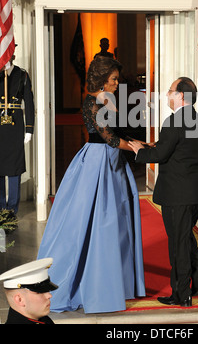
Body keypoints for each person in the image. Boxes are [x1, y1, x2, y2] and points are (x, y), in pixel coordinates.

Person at [37, 56, 145, 314]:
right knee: (96, 222)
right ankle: (83, 282)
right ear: (101, 78)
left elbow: (118, 134)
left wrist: (141, 144)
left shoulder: (113, 99)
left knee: (118, 223)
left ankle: (117, 281)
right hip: (96, 163)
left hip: (115, 163)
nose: (117, 83)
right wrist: (135, 148)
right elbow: (107, 138)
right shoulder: (91, 102)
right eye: (114, 79)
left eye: (117, 79)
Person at [129, 77, 198, 307]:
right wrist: (157, 145)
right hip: (195, 191)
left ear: (181, 96)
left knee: (178, 244)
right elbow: (182, 148)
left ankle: (182, 295)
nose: (167, 95)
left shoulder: (173, 121)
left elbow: (160, 156)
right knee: (186, 238)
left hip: (177, 194)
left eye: (170, 91)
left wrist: (139, 151)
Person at [0, 53, 34, 216]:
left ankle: (11, 212)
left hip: (15, 126)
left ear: (13, 55)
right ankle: (0, 210)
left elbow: (28, 102)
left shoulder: (22, 75)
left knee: (14, 169)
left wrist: (29, 129)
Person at [0, 258, 58, 324]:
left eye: (46, 290)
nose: (49, 295)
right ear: (20, 300)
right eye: (40, 292)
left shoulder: (43, 319)